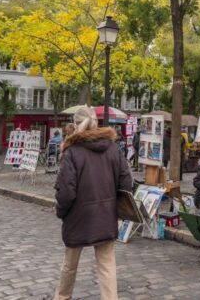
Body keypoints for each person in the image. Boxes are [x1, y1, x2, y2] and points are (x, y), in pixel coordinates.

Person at [54, 106, 133, 300]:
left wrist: (62, 212)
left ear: (75, 125)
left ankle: (62, 297)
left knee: (70, 264)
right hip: (105, 214)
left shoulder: (72, 151)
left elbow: (66, 191)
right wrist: (116, 207)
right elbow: (126, 182)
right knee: (107, 265)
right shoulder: (112, 148)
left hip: (77, 216)